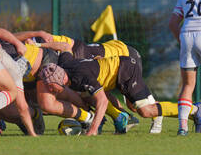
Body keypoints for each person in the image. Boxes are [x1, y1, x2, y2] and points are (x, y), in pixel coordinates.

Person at [39, 49, 200, 136]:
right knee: (87, 95)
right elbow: (65, 48)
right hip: (114, 75)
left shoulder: (81, 76)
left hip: (126, 70)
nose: (50, 91)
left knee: (145, 111)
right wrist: (42, 46)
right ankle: (120, 117)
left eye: (50, 87)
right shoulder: (64, 64)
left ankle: (194, 110)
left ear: (59, 80)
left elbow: (102, 101)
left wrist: (93, 130)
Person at [169, 0, 201, 136]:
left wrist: (181, 41)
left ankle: (183, 128)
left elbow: (173, 22)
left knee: (188, 85)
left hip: (187, 34)